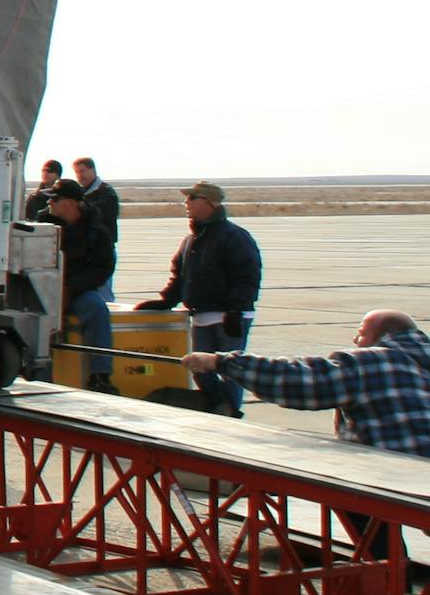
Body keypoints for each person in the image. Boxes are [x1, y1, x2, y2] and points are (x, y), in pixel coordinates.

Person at [182, 310, 430, 456]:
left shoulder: (371, 362)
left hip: (401, 475)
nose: (355, 340)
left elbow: (298, 381)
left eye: (362, 333)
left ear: (384, 335)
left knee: (354, 496)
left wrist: (221, 363)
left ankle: (376, 547)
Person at [137, 181, 261, 416]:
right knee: (199, 369)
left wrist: (235, 311)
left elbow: (247, 276)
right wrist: (166, 301)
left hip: (229, 317)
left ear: (209, 203)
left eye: (193, 198)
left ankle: (229, 414)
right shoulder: (190, 241)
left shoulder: (234, 236)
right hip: (202, 317)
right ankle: (222, 409)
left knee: (230, 371)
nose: (187, 203)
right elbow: (180, 276)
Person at [48, 177, 116, 390]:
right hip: (45, 288)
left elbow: (103, 268)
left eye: (55, 199)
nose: (50, 203)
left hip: (78, 290)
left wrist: (72, 287)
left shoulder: (96, 230)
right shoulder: (42, 226)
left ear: (70, 202)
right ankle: (35, 371)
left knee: (97, 309)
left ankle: (100, 374)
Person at [72, 156, 120, 246]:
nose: (80, 176)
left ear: (93, 170)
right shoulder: (80, 192)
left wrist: (81, 206)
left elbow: (99, 212)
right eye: (77, 172)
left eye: (82, 171)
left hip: (104, 244)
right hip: (85, 245)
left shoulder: (107, 192)